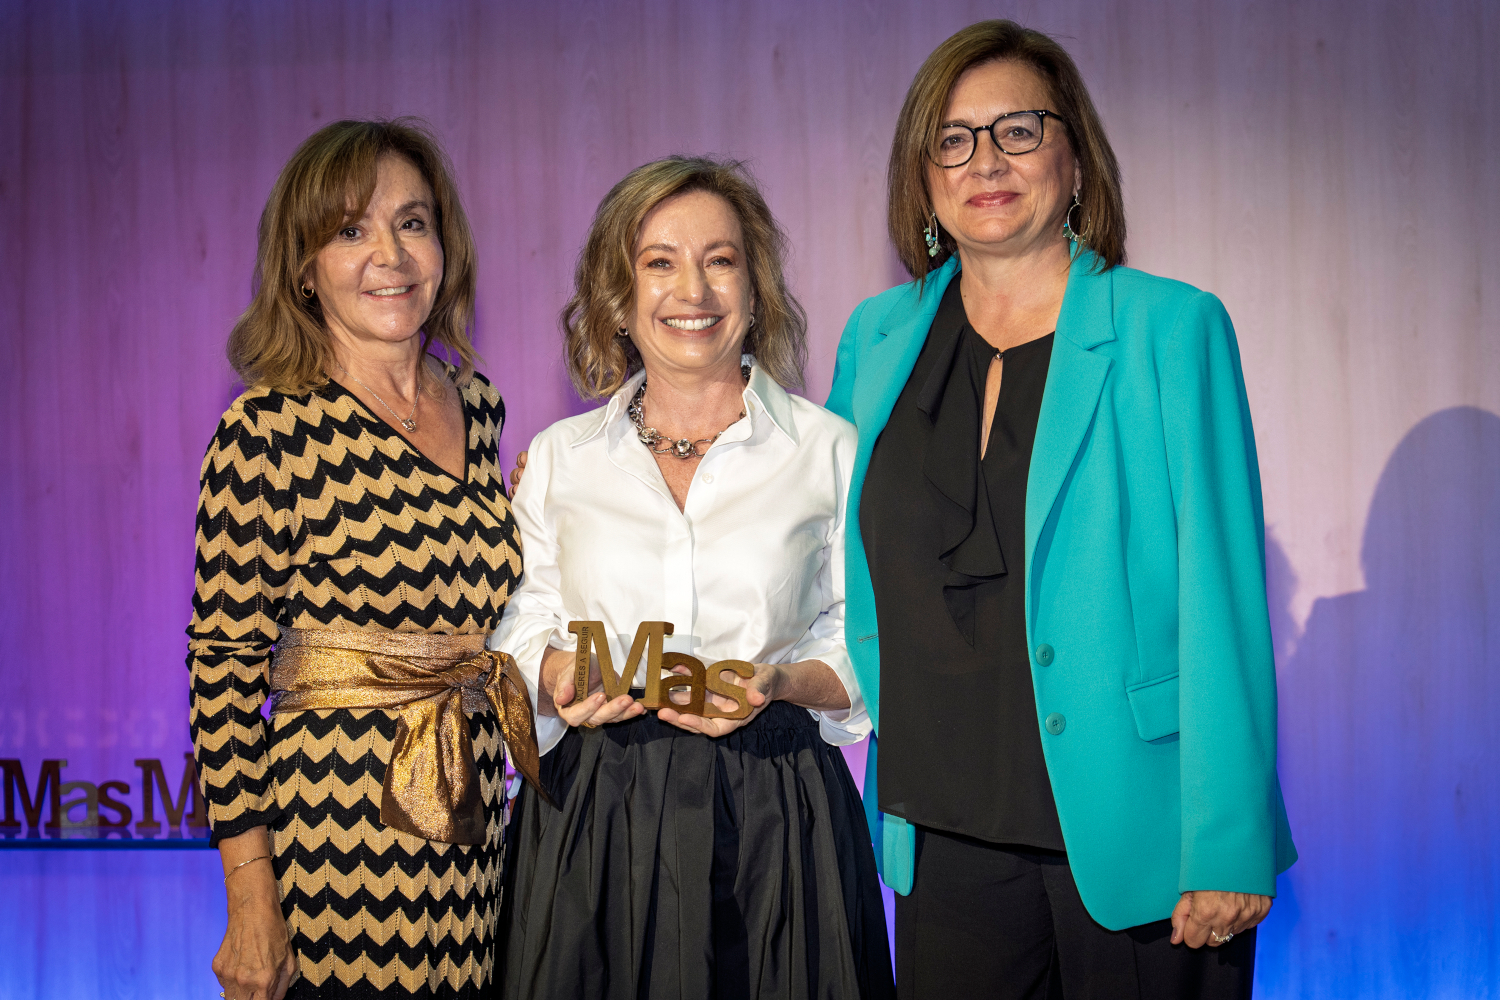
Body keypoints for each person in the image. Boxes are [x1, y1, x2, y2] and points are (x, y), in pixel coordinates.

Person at [825, 20, 1297, 999]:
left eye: (1018, 130)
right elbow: (810, 532)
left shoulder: (1172, 328)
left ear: (1076, 158)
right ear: (922, 176)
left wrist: (1228, 840)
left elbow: (1222, 598)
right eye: (953, 139)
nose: (984, 161)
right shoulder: (875, 338)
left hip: (1139, 842)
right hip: (940, 835)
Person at [492, 156, 895, 1000]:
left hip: (780, 812)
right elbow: (521, 623)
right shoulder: (559, 459)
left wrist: (783, 681)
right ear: (618, 298)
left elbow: (865, 636)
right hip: (595, 814)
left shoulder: (830, 449)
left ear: (756, 289)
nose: (694, 290)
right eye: (659, 262)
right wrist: (557, 672)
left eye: (720, 260)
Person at [188, 118, 542, 1000]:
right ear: (305, 267)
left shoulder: (479, 406)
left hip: (475, 824)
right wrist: (251, 902)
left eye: (412, 222)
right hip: (337, 845)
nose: (390, 253)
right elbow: (223, 673)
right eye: (351, 230)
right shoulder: (266, 431)